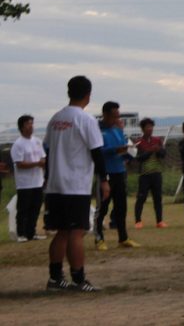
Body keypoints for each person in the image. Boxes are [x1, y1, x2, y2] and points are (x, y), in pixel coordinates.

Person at [43, 75, 110, 292]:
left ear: (69, 92)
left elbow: (48, 150)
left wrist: (48, 178)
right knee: (76, 231)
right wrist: (104, 180)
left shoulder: (55, 119)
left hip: (55, 185)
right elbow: (97, 152)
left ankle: (55, 278)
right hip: (75, 184)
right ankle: (78, 279)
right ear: (88, 95)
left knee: (62, 231)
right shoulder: (86, 120)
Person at [94, 101, 139, 250]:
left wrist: (129, 153)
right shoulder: (97, 130)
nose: (117, 119)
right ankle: (99, 239)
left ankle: (123, 238)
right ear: (105, 114)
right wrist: (116, 150)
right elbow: (97, 152)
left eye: (118, 116)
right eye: (114, 116)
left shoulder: (117, 130)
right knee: (102, 208)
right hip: (105, 173)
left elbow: (123, 149)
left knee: (121, 207)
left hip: (120, 172)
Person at [11, 115, 47, 242]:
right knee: (23, 209)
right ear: (21, 127)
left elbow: (43, 157)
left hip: (37, 181)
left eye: (32, 123)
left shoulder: (37, 141)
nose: (31, 126)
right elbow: (19, 164)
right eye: (28, 124)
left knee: (35, 208)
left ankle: (31, 232)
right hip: (24, 183)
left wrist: (42, 163)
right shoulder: (18, 144)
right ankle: (21, 233)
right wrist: (36, 164)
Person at [134, 118, 167, 229]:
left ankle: (159, 221)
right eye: (147, 127)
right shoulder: (139, 142)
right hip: (144, 175)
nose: (150, 129)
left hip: (157, 173)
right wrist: (150, 151)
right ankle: (138, 221)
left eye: (151, 127)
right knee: (141, 198)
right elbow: (138, 158)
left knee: (158, 198)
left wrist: (159, 150)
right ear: (143, 129)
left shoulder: (157, 140)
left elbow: (163, 154)